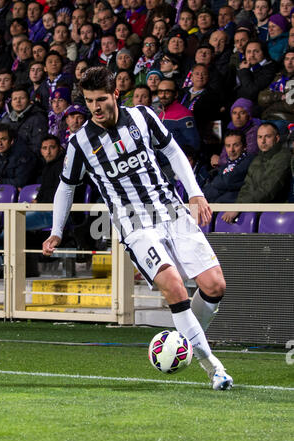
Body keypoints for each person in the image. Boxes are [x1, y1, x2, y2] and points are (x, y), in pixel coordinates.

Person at [42, 65, 233, 391]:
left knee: (215, 286)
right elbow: (66, 186)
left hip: (171, 212)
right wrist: (56, 229)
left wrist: (195, 192)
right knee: (174, 287)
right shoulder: (80, 143)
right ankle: (212, 366)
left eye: (101, 99)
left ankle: (182, 337)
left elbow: (172, 150)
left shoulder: (143, 117)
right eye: (89, 101)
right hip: (134, 224)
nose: (95, 108)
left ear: (115, 93)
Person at [221, 122, 292, 222]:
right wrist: (238, 206)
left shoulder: (283, 157)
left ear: (277, 138)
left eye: (267, 137)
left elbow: (268, 190)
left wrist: (239, 207)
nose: (263, 141)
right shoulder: (257, 159)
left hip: (274, 212)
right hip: (253, 209)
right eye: (259, 137)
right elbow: (246, 187)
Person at [202, 129, 255, 202]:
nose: (231, 150)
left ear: (245, 146)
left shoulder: (249, 160)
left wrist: (216, 183)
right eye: (228, 146)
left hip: (234, 207)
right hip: (216, 204)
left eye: (236, 145)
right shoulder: (226, 165)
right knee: (193, 205)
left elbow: (228, 180)